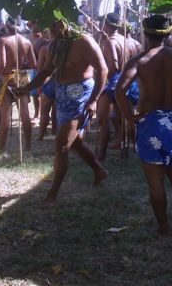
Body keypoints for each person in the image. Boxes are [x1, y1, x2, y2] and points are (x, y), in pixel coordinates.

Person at [115, 14, 172, 236]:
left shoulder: (140, 61)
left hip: (148, 121)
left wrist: (129, 116)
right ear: (168, 35)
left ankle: (164, 226)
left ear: (146, 34)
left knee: (155, 179)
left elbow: (119, 90)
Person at [17, 19, 108, 206]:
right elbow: (46, 71)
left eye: (52, 25)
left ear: (63, 23)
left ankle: (52, 193)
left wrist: (93, 101)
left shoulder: (84, 41)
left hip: (80, 94)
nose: (48, 29)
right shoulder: (56, 44)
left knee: (62, 144)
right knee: (74, 142)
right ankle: (99, 170)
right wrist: (27, 88)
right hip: (62, 92)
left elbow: (103, 69)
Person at [0, 17, 36, 153]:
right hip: (21, 78)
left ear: (6, 25)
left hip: (6, 79)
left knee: (5, 116)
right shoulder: (27, 42)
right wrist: (21, 67)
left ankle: (1, 149)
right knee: (25, 114)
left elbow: (2, 64)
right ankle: (28, 146)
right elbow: (33, 64)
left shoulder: (3, 41)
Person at [96, 13, 126, 162]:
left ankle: (101, 153)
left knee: (103, 119)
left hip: (113, 82)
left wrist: (103, 78)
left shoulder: (111, 42)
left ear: (106, 25)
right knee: (123, 116)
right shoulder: (126, 40)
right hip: (127, 81)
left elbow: (113, 65)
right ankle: (125, 146)